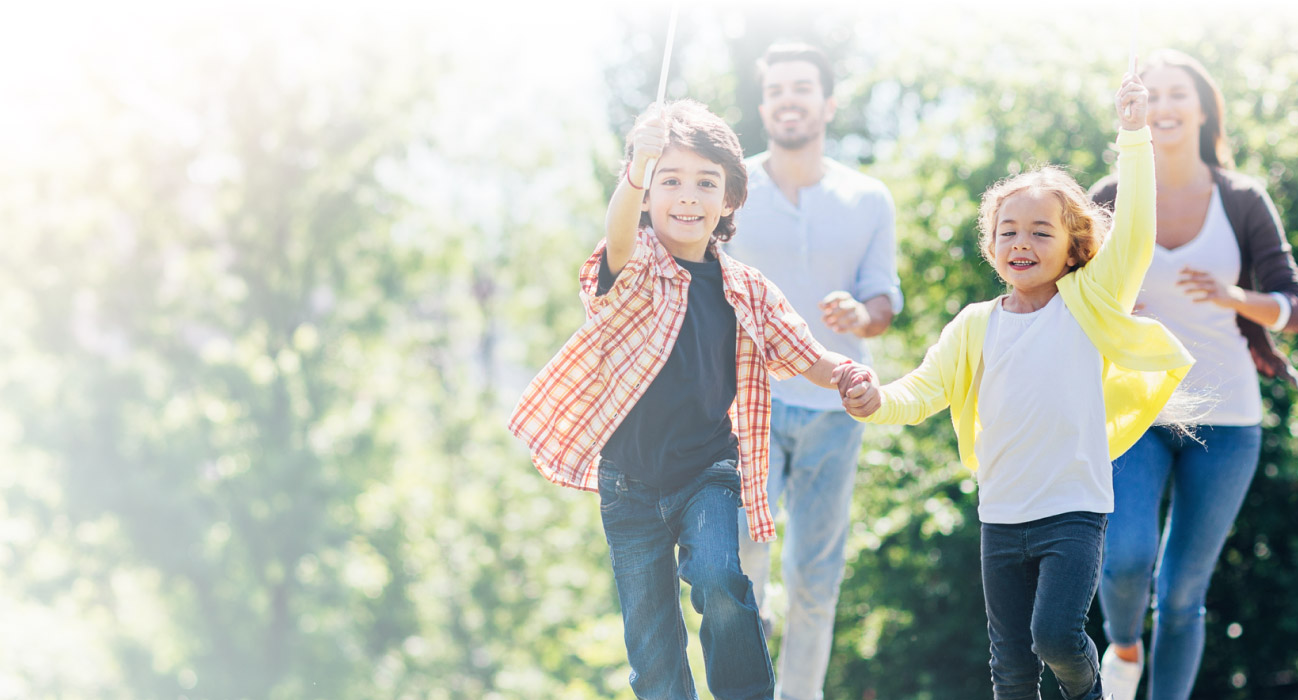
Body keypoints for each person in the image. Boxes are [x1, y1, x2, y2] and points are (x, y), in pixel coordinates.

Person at [508, 99, 879, 700]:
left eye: (705, 183)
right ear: (648, 194)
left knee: (717, 576)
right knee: (651, 650)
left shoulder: (750, 289)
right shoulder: (638, 266)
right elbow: (619, 236)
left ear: (730, 199)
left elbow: (810, 355)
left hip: (708, 469)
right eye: (669, 180)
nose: (687, 196)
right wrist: (637, 168)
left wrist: (848, 378)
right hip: (628, 485)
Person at [841, 68, 1190, 700]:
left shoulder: (1088, 301)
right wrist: (875, 401)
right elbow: (921, 391)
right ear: (991, 245)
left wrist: (1133, 138)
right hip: (1000, 515)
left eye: (1040, 231)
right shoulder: (975, 325)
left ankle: (1092, 694)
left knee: (1056, 637)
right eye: (1008, 232)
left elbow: (1135, 235)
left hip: (1073, 511)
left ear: (1074, 245)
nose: (1021, 243)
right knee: (1010, 667)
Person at [1087, 49, 1298, 700]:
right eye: (1150, 95)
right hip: (1137, 412)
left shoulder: (1241, 199)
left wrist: (1235, 297)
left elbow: (1297, 307)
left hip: (1229, 421)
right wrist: (1103, 303)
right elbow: (1065, 293)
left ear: (1202, 108)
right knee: (1127, 558)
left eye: (1177, 94)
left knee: (1184, 593)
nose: (1163, 107)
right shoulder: (1110, 196)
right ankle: (1124, 644)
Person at [721, 43, 900, 700]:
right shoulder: (729, 188)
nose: (788, 99)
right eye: (776, 90)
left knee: (815, 579)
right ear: (765, 104)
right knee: (741, 564)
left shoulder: (867, 196)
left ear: (826, 103)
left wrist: (862, 315)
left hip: (835, 407)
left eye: (801, 88)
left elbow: (884, 299)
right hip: (748, 402)